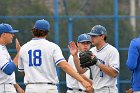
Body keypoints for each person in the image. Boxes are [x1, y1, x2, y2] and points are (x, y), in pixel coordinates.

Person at [18, 19, 92, 93]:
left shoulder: (24, 48)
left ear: (33, 31)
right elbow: (64, 66)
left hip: (31, 88)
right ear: (47, 32)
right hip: (49, 87)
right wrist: (82, 81)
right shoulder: (53, 47)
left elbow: (22, 71)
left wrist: (34, 76)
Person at [69, 25, 120, 93]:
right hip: (96, 90)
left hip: (108, 89)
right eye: (91, 36)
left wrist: (97, 63)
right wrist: (75, 56)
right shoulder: (92, 51)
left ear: (102, 36)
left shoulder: (112, 50)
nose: (91, 38)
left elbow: (114, 74)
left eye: (94, 36)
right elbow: (81, 71)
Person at [0, 23, 24, 93]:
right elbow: (8, 70)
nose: (13, 35)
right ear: (4, 34)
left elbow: (5, 75)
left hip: (6, 86)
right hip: (3, 87)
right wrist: (19, 52)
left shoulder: (3, 48)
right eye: (11, 33)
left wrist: (16, 86)